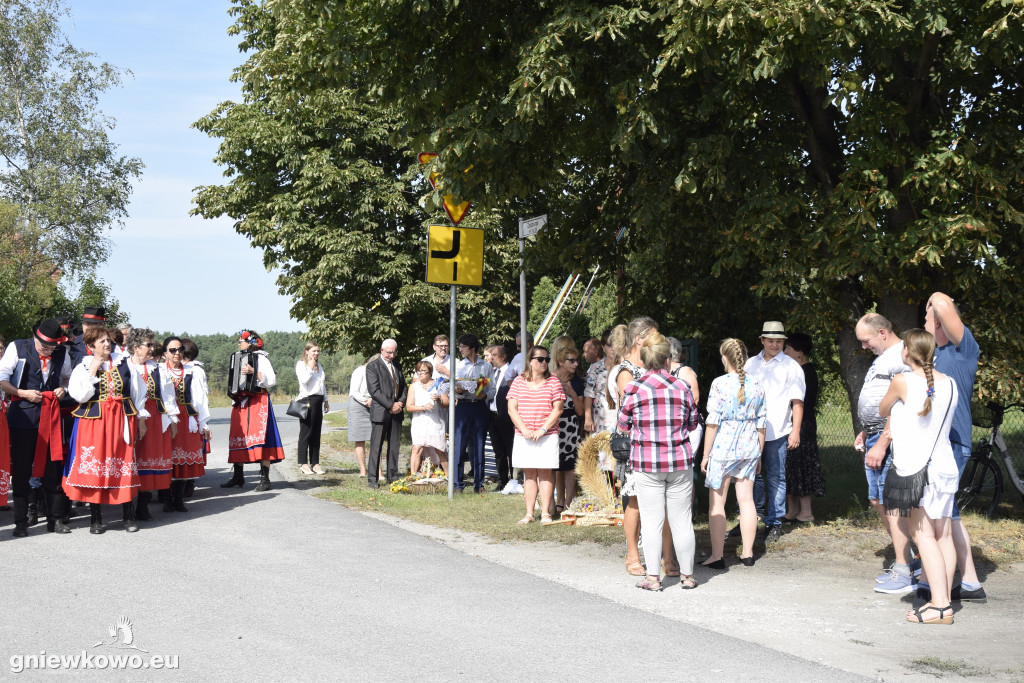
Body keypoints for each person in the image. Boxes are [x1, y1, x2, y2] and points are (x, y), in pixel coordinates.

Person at [879, 329, 959, 624]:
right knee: (944, 536)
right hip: (944, 467)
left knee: (922, 536)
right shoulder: (949, 383)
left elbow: (882, 408)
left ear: (906, 353)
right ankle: (944, 600)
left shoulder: (901, 381)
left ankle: (940, 607)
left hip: (917, 470)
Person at [617, 332, 701, 591]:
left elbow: (622, 425)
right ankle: (687, 576)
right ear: (668, 360)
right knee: (682, 520)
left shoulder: (634, 388)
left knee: (652, 521)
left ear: (643, 359)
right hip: (679, 461)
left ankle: (653, 578)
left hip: (647, 463)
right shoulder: (682, 387)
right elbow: (693, 422)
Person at [920, 292, 984, 602]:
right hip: (934, 446)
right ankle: (969, 581)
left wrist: (934, 300)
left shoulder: (964, 351)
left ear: (943, 323)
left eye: (927, 318)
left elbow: (945, 305)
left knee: (938, 512)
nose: (924, 322)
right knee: (947, 511)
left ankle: (936, 583)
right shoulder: (930, 357)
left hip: (955, 444)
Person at [854, 313, 919, 593]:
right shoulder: (884, 358)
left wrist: (883, 440)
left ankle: (905, 568)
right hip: (875, 435)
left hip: (888, 440)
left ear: (882, 333)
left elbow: (900, 405)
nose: (864, 347)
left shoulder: (901, 356)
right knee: (877, 499)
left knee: (891, 503)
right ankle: (909, 559)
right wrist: (866, 430)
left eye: (866, 341)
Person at [64, 326, 146, 534]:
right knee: (97, 469)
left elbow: (138, 392)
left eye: (108, 340)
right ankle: (96, 519)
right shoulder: (82, 366)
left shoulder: (125, 362)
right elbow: (79, 396)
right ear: (90, 346)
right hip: (94, 423)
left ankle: (129, 516)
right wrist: (93, 370)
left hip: (120, 421)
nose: (107, 344)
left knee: (123, 465)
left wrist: (137, 417)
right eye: (101, 341)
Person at [614, 317, 677, 577]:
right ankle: (632, 554)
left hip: (662, 442)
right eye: (654, 334)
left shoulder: (659, 366)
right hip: (636, 444)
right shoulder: (626, 371)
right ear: (639, 339)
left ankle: (668, 556)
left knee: (665, 502)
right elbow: (630, 411)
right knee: (636, 501)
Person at [0, 319, 73, 536]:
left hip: (50, 416)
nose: (49, 350)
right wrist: (22, 393)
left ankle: (55, 519)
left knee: (53, 469)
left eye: (52, 347)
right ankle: (21, 522)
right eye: (45, 347)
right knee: (22, 471)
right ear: (35, 338)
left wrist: (63, 388)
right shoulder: (17, 347)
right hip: (23, 416)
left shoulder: (61, 353)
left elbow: (68, 378)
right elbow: (2, 378)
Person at [701, 339, 767, 568]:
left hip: (723, 447)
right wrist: (758, 453)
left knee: (717, 504)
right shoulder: (757, 384)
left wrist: (705, 455)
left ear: (724, 358)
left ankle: (717, 556)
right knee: (747, 501)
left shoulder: (719, 384)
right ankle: (748, 553)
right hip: (749, 446)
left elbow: (712, 423)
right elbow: (761, 423)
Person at [743, 321, 805, 545]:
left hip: (778, 429)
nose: (775, 344)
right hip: (750, 430)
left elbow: (797, 401)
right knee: (751, 476)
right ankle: (751, 518)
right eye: (770, 340)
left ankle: (774, 522)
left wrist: (795, 431)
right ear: (762, 341)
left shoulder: (791, 366)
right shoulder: (751, 364)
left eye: (779, 341)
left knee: (776, 476)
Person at [507, 345, 564, 525]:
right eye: (540, 359)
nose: (544, 363)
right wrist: (524, 429)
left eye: (547, 359)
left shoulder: (553, 381)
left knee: (546, 473)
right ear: (530, 362)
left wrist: (543, 429)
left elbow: (558, 409)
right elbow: (511, 409)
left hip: (547, 434)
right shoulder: (518, 381)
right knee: (529, 475)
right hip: (524, 435)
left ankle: (546, 512)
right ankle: (529, 513)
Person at [125, 328, 177, 521]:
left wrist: (172, 420)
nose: (152, 348)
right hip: (129, 415)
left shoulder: (157, 368)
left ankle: (143, 505)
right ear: (136, 347)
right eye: (148, 344)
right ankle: (127, 506)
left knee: (149, 459)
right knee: (130, 459)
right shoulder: (124, 366)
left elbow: (168, 395)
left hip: (154, 417)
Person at [225, 330, 285, 491]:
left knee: (261, 438)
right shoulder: (237, 357)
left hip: (259, 401)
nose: (239, 343)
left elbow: (271, 380)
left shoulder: (261, 358)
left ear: (250, 342)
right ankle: (238, 476)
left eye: (241, 340)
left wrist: (254, 372)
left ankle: (265, 478)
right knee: (239, 437)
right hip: (241, 402)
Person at [163, 336, 212, 511]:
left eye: (180, 350)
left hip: (187, 418)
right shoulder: (160, 370)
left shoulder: (193, 371)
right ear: (165, 353)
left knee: (183, 460)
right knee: (168, 458)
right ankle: (167, 499)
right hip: (167, 418)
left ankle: (178, 498)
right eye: (173, 350)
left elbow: (199, 398)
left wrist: (204, 423)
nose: (177, 353)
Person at [782, 333, 825, 524]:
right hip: (793, 425)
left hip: (802, 426)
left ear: (799, 352)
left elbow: (801, 403)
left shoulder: (806, 371)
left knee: (803, 465)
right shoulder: (796, 370)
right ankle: (792, 511)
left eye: (788, 349)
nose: (784, 352)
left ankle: (806, 512)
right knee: (790, 466)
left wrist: (796, 429)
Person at [451, 334, 494, 493]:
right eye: (460, 346)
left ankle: (479, 484)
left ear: (472, 348)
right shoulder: (459, 366)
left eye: (463, 346)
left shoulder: (486, 366)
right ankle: (457, 484)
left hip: (480, 407)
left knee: (479, 444)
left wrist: (486, 395)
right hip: (463, 407)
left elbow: (492, 388)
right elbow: (453, 389)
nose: (460, 349)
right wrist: (458, 391)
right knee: (459, 445)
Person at [366, 339, 407, 487]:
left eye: (394, 352)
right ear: (382, 350)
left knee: (394, 446)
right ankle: (372, 479)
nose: (391, 355)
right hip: (381, 411)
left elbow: (403, 387)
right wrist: (390, 405)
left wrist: (400, 403)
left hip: (397, 411)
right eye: (389, 352)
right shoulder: (373, 366)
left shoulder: (397, 365)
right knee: (376, 446)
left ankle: (392, 476)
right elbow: (374, 390)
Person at [551, 335, 584, 514]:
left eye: (576, 360)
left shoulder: (577, 382)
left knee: (570, 466)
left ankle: (569, 502)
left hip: (571, 427)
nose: (575, 364)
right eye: (571, 361)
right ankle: (558, 501)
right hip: (554, 427)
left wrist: (571, 391)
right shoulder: (550, 379)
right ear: (561, 361)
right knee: (556, 466)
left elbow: (580, 412)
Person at [408, 360, 448, 478]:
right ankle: (413, 477)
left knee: (439, 449)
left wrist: (438, 400)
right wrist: (423, 407)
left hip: (435, 421)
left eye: (423, 371)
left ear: (430, 372)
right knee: (416, 448)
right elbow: (409, 406)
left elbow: (446, 403)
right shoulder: (414, 386)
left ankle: (448, 477)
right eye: (418, 371)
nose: (420, 373)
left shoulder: (439, 384)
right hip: (419, 421)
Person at [295, 342, 329, 475]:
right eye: (314, 351)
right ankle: (303, 464)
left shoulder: (319, 366)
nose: (316, 354)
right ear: (307, 351)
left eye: (318, 351)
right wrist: (310, 366)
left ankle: (315, 463)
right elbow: (304, 380)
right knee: (306, 433)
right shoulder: (301, 365)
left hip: (318, 400)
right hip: (306, 400)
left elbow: (322, 384)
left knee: (316, 433)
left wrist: (325, 400)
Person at [486, 344, 516, 490]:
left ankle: (514, 480)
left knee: (511, 450)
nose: (491, 358)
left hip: (507, 417)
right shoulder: (492, 373)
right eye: (490, 355)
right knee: (498, 451)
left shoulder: (512, 372)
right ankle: (502, 481)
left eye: (494, 355)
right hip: (492, 417)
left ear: (503, 356)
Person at [583, 329, 618, 443]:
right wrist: (588, 418)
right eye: (609, 345)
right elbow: (589, 393)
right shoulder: (596, 367)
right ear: (603, 347)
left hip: (620, 417)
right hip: (600, 418)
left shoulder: (626, 367)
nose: (612, 348)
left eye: (615, 344)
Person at [347, 359, 374, 478]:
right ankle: (363, 470)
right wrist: (365, 401)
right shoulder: (360, 371)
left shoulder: (379, 373)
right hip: (358, 404)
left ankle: (377, 469)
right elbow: (354, 391)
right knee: (359, 438)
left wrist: (373, 400)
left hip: (374, 403)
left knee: (375, 439)